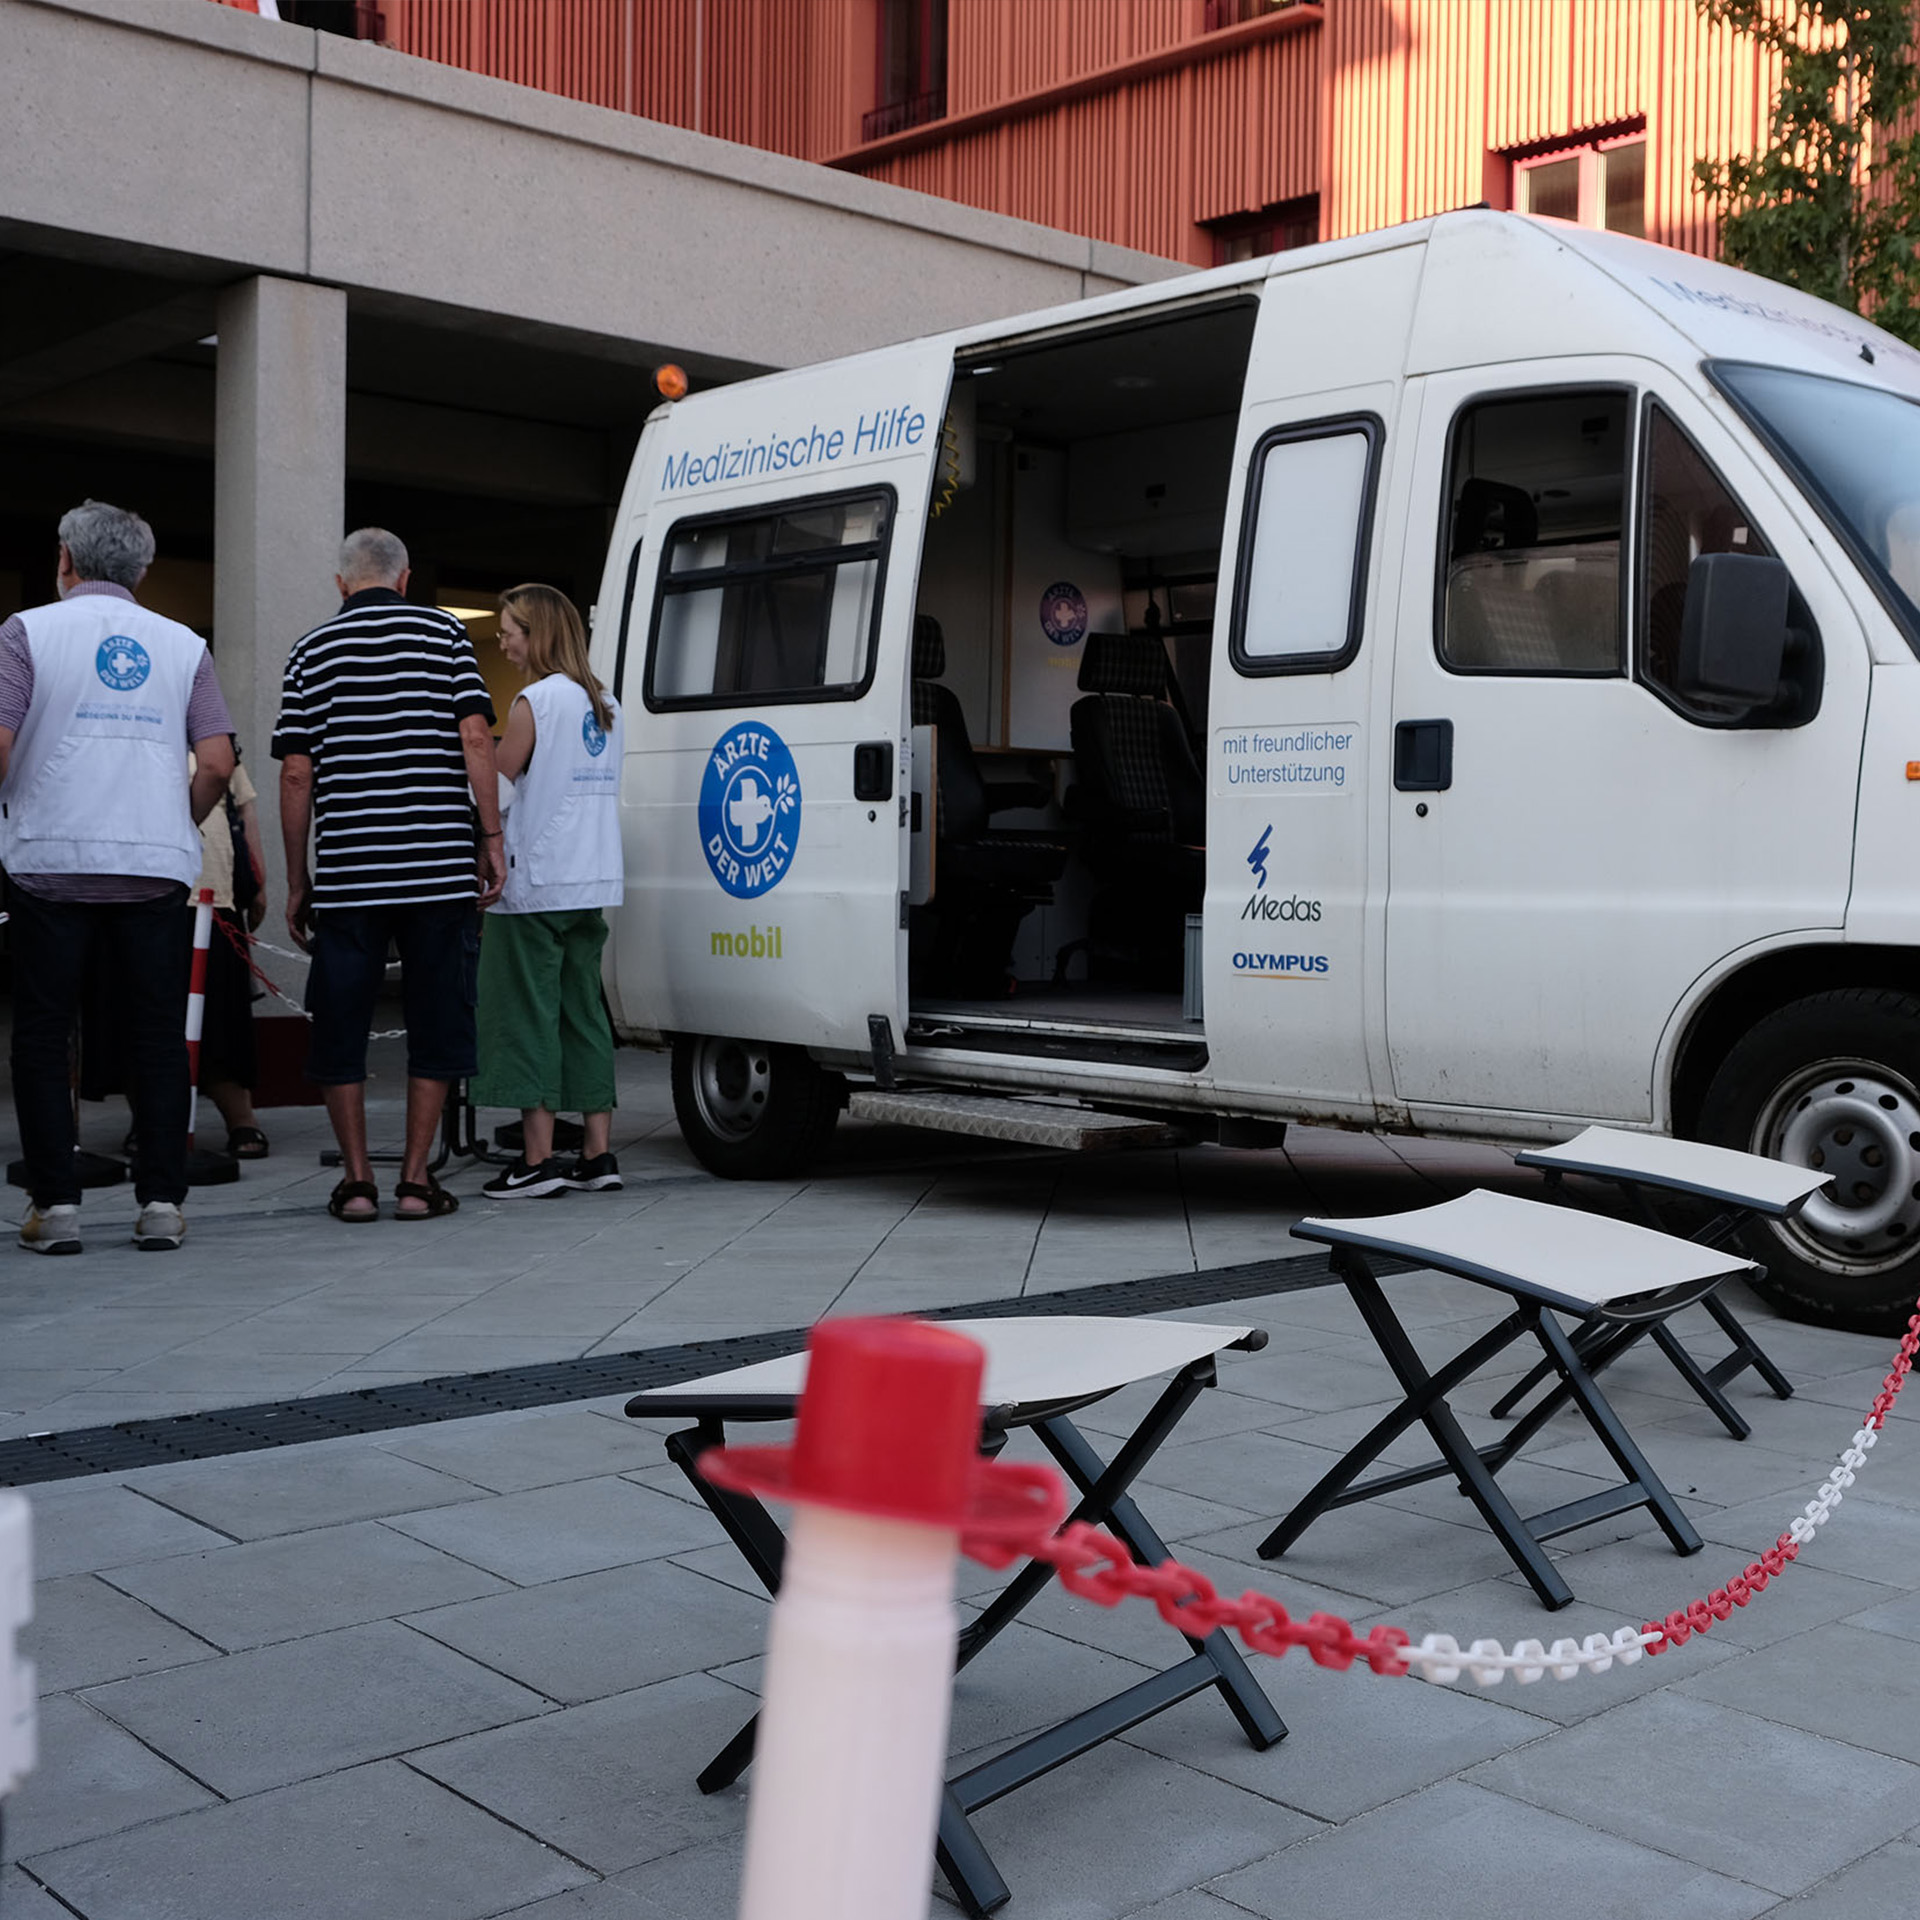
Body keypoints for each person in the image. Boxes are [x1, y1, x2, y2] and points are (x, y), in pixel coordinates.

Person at [0, 500, 235, 1254]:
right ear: (142, 570)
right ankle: (162, 1203)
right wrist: (176, 816)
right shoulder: (183, 644)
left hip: (48, 863)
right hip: (152, 865)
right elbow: (220, 762)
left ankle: (57, 1209)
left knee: (42, 1035)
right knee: (159, 1036)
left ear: (65, 558)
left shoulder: (26, 632)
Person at [273, 527, 503, 1222]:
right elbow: (473, 738)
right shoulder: (445, 637)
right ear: (404, 580)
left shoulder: (311, 651)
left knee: (339, 1021)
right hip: (436, 868)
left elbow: (294, 772)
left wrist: (297, 877)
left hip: (348, 872)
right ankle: (413, 1182)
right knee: (437, 1018)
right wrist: (490, 836)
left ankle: (355, 1184)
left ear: (342, 584)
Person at [473, 584, 625, 1196]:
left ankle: (535, 1161)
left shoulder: (534, 702)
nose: (504, 639)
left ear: (536, 633)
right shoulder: (605, 701)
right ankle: (597, 1155)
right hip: (592, 877)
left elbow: (500, 781)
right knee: (583, 1013)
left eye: (510, 629)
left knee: (525, 1014)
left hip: (535, 882)